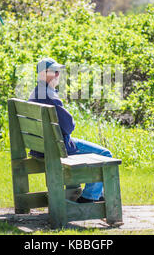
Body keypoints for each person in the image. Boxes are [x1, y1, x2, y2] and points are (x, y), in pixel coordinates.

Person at [28, 57, 113, 203]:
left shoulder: (35, 93)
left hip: (40, 147)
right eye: (53, 72)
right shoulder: (49, 97)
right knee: (105, 154)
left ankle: (97, 195)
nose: (57, 75)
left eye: (58, 72)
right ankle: (89, 198)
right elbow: (69, 126)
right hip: (57, 147)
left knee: (100, 154)